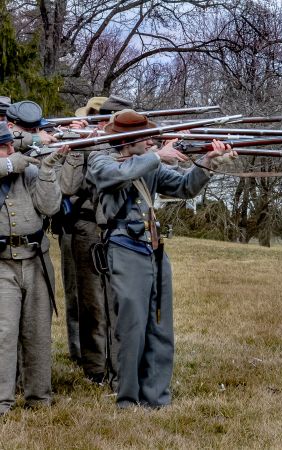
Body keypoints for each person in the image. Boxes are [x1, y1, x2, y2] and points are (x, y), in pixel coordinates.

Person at [86, 110, 236, 409]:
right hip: (124, 247)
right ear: (129, 140)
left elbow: (183, 187)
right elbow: (113, 177)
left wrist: (207, 164)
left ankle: (156, 397)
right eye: (146, 137)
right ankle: (127, 399)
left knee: (160, 325)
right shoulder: (100, 158)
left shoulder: (149, 161)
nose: (152, 140)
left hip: (152, 247)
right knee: (132, 327)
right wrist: (158, 156)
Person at [59, 95, 132, 382]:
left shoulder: (128, 145)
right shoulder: (87, 144)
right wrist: (83, 143)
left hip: (118, 228)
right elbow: (71, 184)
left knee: (116, 300)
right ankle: (94, 367)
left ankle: (118, 364)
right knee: (90, 301)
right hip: (87, 226)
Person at [0, 121, 69, 416]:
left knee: (37, 332)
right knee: (4, 333)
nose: (11, 151)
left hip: (35, 258)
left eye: (10, 146)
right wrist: (6, 165)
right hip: (2, 263)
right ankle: (2, 401)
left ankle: (39, 397)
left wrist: (48, 171)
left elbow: (50, 207)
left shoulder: (27, 172)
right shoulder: (9, 167)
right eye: (4, 148)